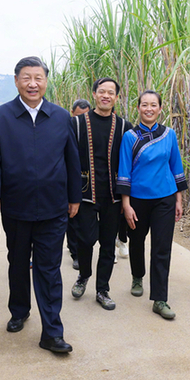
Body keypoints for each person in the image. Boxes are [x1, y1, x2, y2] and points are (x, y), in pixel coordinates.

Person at [0, 56, 81, 354]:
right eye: (26, 77)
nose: (33, 83)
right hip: (16, 207)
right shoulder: (0, 116)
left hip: (53, 208)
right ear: (16, 81)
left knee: (49, 268)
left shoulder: (61, 116)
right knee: (18, 261)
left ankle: (51, 332)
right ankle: (19, 309)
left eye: (38, 77)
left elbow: (72, 160)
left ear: (46, 81)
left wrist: (74, 197)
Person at [117, 90, 187, 320]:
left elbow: (176, 166)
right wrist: (126, 204)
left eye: (153, 105)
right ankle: (137, 276)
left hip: (165, 198)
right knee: (136, 242)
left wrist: (179, 199)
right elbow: (124, 170)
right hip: (137, 199)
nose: (149, 108)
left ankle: (160, 298)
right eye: (144, 105)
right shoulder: (130, 137)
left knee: (162, 248)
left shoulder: (169, 134)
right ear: (138, 108)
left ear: (159, 108)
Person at [70, 78, 132, 310]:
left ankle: (102, 289)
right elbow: (67, 160)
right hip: (84, 194)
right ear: (94, 94)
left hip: (113, 196)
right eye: (102, 91)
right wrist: (70, 195)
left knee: (108, 244)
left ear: (117, 98)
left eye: (111, 92)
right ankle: (83, 275)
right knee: (85, 239)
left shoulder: (125, 127)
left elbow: (132, 162)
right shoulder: (76, 124)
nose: (106, 96)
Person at [67, 98, 91, 270]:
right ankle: (74, 253)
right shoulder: (68, 126)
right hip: (71, 176)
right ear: (72, 113)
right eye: (78, 115)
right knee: (72, 217)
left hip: (89, 180)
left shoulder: (92, 128)